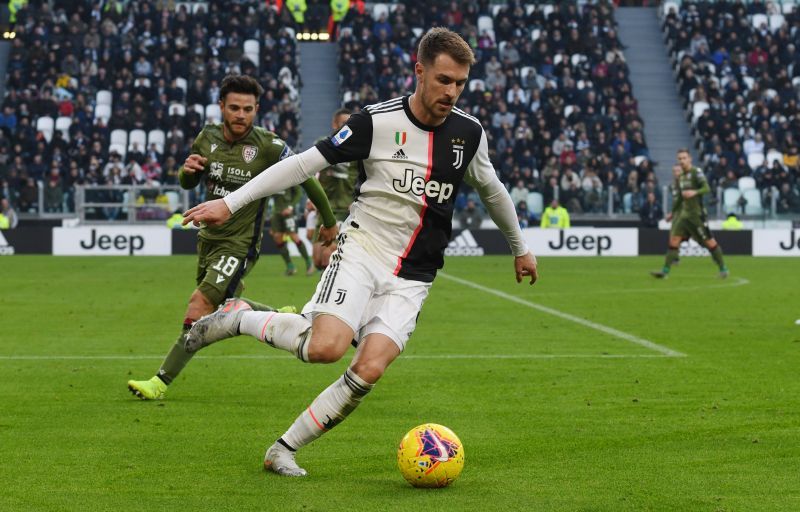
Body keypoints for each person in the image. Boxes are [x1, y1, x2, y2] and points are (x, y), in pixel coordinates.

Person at [181, 28, 538, 477]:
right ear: (419, 71)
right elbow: (301, 164)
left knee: (368, 369)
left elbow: (493, 189)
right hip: (363, 250)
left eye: (461, 83)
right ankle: (238, 317)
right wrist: (229, 203)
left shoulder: (469, 132)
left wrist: (520, 249)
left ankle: (282, 450)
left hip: (415, 275)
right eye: (444, 79)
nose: (452, 91)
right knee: (326, 348)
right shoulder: (376, 122)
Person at [127, 75, 338, 400]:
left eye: (248, 109)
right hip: (209, 240)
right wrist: (188, 172)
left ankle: (160, 381)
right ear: (222, 107)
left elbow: (305, 176)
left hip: (240, 245)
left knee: (198, 305)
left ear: (257, 110)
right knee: (223, 307)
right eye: (235, 108)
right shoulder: (206, 137)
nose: (241, 115)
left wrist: (328, 221)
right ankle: (276, 316)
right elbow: (188, 182)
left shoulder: (268, 145)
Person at [651, 149, 728, 279]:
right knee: (674, 240)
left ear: (690, 159)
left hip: (696, 216)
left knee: (709, 242)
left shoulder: (696, 172)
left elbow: (706, 188)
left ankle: (723, 269)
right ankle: (665, 271)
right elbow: (680, 198)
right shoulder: (680, 177)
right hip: (684, 216)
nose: (681, 161)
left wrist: (694, 192)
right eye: (679, 158)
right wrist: (672, 213)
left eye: (684, 158)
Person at [312, 108, 359, 270]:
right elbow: (314, 173)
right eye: (343, 124)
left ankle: (329, 293)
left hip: (343, 209)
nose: (347, 127)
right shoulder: (324, 145)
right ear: (334, 124)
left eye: (350, 124)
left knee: (328, 256)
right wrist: (312, 200)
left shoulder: (359, 150)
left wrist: (357, 200)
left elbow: (366, 178)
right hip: (324, 207)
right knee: (317, 259)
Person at [270, 185, 314, 276]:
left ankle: (309, 263)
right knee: (277, 238)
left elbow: (299, 193)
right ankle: (290, 266)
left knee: (293, 236)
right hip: (276, 213)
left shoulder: (289, 175)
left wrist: (290, 207)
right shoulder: (273, 177)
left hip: (288, 213)